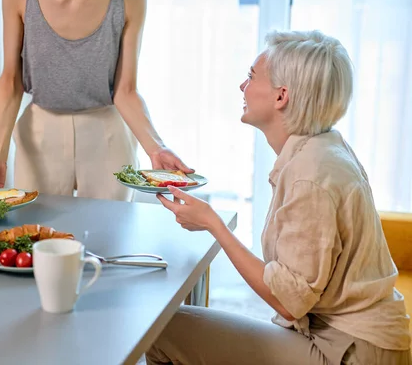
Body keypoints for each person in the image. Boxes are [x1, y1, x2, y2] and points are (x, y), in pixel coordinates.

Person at [148, 30, 412, 364]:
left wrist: (215, 225)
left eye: (250, 77)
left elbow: (288, 302)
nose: (242, 87)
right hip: (347, 337)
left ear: (281, 96)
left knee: (161, 331)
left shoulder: (310, 174)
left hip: (351, 351)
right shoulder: (323, 148)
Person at [0, 0, 192, 200]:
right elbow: (11, 80)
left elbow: (125, 91)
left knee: (109, 233)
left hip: (108, 133)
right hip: (40, 134)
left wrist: (156, 148)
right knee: (39, 231)